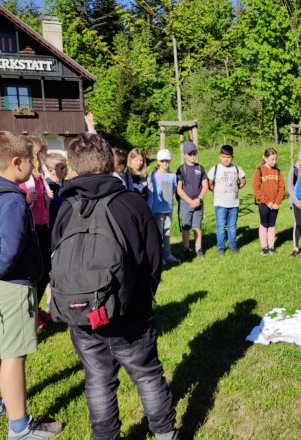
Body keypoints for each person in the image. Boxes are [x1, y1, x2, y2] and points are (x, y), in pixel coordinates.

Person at [52, 132, 184, 440]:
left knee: (98, 379)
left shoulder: (65, 206)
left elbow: (55, 255)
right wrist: (143, 296)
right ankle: (165, 434)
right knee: (147, 375)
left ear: (72, 165)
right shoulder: (130, 204)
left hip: (82, 313)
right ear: (111, 162)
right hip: (130, 313)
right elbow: (153, 261)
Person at [0, 131, 61, 438]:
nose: (34, 165)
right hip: (12, 283)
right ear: (17, 162)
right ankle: (20, 426)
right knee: (15, 355)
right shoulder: (13, 199)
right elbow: (11, 249)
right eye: (31, 160)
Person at [18, 136, 54, 330]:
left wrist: (47, 197)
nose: (45, 155)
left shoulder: (39, 175)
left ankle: (35, 308)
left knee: (45, 272)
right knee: (36, 273)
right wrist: (28, 199)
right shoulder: (26, 177)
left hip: (43, 227)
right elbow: (19, 201)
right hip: (32, 230)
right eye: (43, 151)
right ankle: (29, 314)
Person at [207, 145, 246, 256]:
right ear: (220, 157)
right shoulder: (216, 169)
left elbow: (243, 181)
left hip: (234, 203)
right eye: (224, 157)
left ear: (232, 157)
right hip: (220, 204)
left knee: (232, 226)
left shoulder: (236, 168)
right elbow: (209, 183)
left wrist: (236, 188)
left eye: (228, 157)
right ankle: (221, 247)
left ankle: (233, 246)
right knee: (220, 226)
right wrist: (215, 191)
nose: (226, 159)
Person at [176, 141, 208, 258]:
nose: (193, 156)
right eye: (190, 154)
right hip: (185, 203)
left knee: (197, 226)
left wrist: (198, 199)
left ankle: (198, 248)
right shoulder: (181, 169)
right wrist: (190, 201)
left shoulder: (201, 168)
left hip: (198, 202)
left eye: (194, 153)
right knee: (186, 226)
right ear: (184, 155)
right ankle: (186, 248)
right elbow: (179, 189)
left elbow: (205, 186)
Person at [148, 148, 180, 265]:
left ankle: (168, 254)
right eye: (162, 161)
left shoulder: (172, 176)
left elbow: (175, 189)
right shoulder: (154, 176)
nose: (165, 163)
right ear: (158, 162)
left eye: (167, 161)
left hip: (169, 209)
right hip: (157, 210)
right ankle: (159, 256)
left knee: (167, 232)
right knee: (159, 233)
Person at [251, 148, 285, 255]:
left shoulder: (278, 171)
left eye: (275, 159)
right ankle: (264, 247)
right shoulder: (259, 171)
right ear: (265, 158)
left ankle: (271, 247)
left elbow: (282, 188)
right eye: (272, 159)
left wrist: (276, 202)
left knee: (272, 224)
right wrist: (267, 202)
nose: (274, 162)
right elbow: (256, 188)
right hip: (263, 204)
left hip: (274, 205)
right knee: (264, 224)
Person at [44, 152, 68, 228]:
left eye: (66, 167)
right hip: (54, 228)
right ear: (51, 171)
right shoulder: (46, 187)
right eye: (62, 168)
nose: (66, 170)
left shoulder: (69, 185)